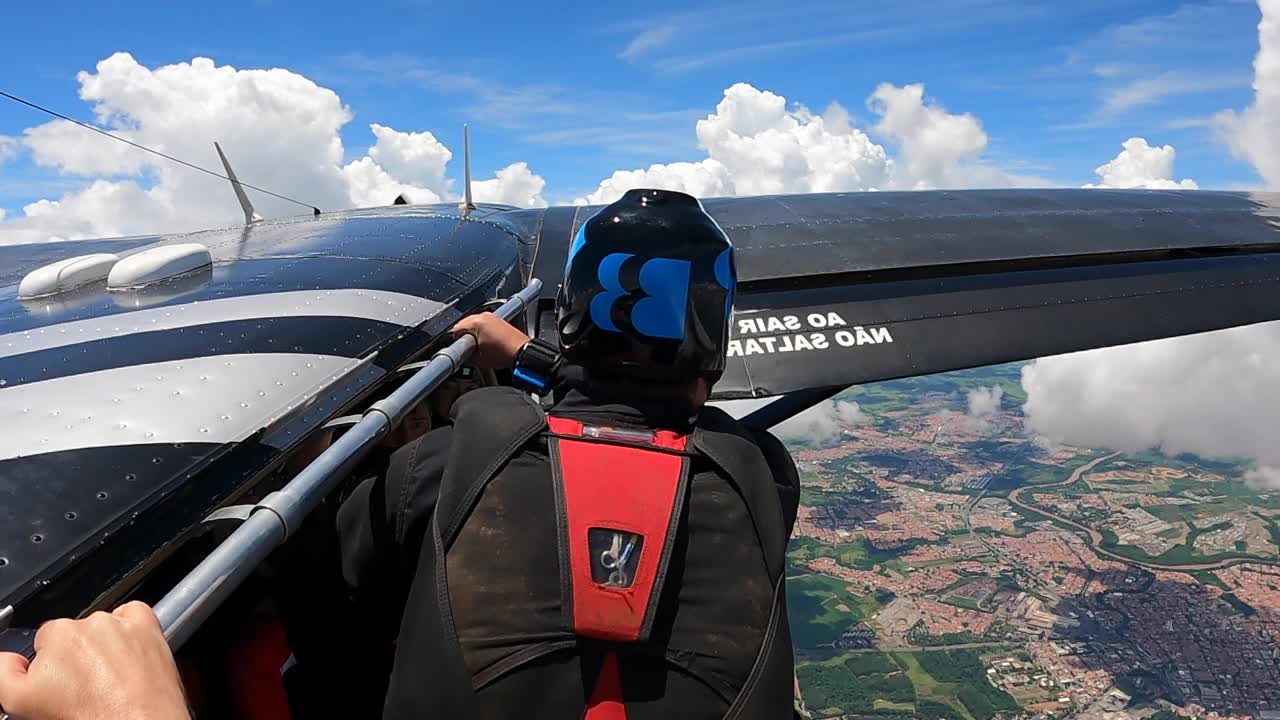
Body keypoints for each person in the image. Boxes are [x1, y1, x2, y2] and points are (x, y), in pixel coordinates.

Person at [0, 188, 802, 720]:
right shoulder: (765, 477)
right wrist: (535, 360)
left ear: (578, 312)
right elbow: (642, 422)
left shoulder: (439, 471)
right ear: (717, 343)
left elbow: (318, 585)